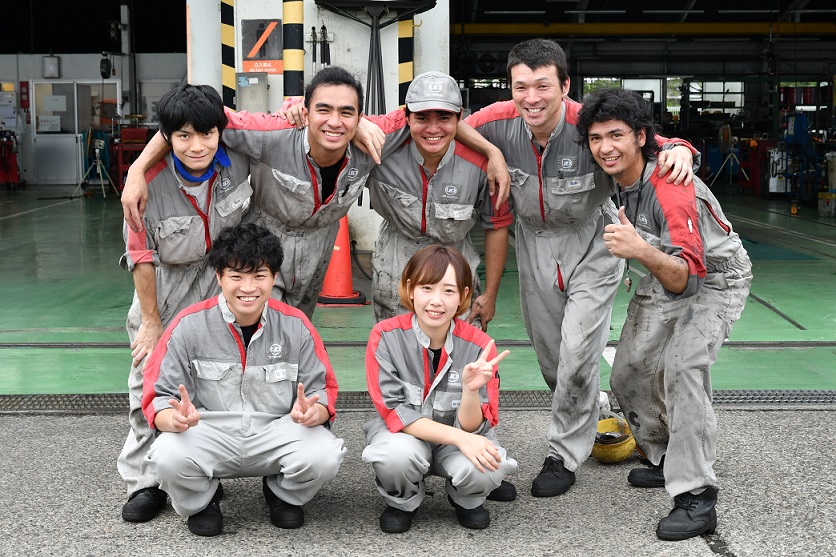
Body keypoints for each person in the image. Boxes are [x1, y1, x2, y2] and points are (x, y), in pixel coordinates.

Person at [458, 38, 699, 498]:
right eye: (521, 87)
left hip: (593, 240)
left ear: (565, 86)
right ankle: (592, 409)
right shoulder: (496, 122)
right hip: (533, 242)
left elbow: (650, 139)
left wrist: (682, 148)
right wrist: (492, 153)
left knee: (577, 351)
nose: (532, 98)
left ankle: (563, 455)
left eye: (543, 86)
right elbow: (444, 126)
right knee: (553, 360)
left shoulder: (587, 122)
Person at [575, 88, 752, 540]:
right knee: (628, 371)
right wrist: (681, 145)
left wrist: (637, 250)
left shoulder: (670, 187)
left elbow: (688, 281)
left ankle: (696, 495)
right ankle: (666, 456)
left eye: (616, 136)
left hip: (713, 277)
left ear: (640, 137)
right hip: (665, 266)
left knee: (682, 367)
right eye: (596, 138)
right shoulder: (623, 161)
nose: (605, 147)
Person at [122, 67, 403, 319]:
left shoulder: (373, 139)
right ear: (306, 112)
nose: (334, 121)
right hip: (264, 243)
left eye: (346, 112)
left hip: (319, 249)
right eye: (323, 110)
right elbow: (192, 120)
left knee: (296, 327)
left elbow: (418, 115)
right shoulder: (268, 134)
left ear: (359, 116)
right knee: (263, 328)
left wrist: (358, 124)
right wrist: (138, 168)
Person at [141, 223, 346, 537]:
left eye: (259, 275)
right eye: (236, 276)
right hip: (208, 432)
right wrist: (174, 419)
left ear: (274, 277)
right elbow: (158, 398)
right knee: (166, 454)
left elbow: (323, 391)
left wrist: (312, 413)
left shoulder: (297, 326)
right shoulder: (187, 326)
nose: (248, 288)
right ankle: (202, 501)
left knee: (325, 453)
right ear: (219, 276)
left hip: (275, 432)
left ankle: (281, 493)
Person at [117, 83, 252, 523]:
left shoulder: (239, 159)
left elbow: (278, 128)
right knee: (149, 381)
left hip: (217, 283)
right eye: (183, 136)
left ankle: (200, 474)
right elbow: (141, 257)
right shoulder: (146, 187)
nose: (197, 147)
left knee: (212, 381)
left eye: (206, 134)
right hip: (163, 286)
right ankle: (146, 482)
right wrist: (151, 321)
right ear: (168, 137)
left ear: (220, 131)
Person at [363, 245, 518, 533]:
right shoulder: (385, 337)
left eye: (448, 291)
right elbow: (395, 413)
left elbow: (474, 428)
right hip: (406, 437)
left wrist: (470, 390)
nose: (436, 301)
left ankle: (466, 499)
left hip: (458, 439)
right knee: (393, 456)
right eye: (427, 288)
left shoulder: (480, 346)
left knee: (491, 465)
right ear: (410, 289)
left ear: (463, 296)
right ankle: (403, 501)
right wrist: (462, 439)